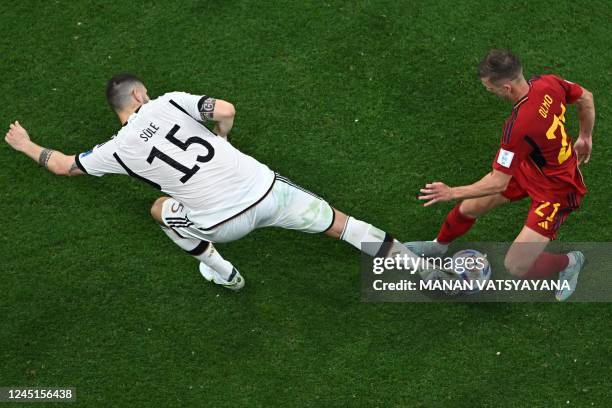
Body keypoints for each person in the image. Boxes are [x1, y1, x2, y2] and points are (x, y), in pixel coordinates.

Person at [5, 73, 421, 291]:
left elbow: (62, 166)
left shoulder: (113, 150)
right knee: (342, 225)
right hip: (268, 191)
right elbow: (224, 108)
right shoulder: (167, 102)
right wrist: (223, 139)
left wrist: (25, 144)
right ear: (138, 95)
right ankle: (423, 271)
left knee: (160, 210)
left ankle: (223, 272)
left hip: (222, 225)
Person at [406, 50, 595, 301]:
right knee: (469, 208)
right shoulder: (547, 82)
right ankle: (438, 246)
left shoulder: (517, 128)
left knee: (516, 266)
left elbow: (497, 181)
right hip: (529, 168)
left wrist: (451, 192)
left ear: (506, 88)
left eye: (489, 88)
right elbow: (586, 98)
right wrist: (585, 136)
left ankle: (570, 263)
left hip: (556, 190)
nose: (488, 92)